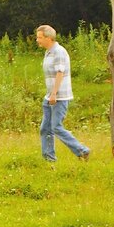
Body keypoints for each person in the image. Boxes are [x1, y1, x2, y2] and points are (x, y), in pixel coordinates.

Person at [35, 25, 90, 162]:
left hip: (59, 96)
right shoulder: (48, 52)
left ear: (49, 38)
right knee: (45, 128)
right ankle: (49, 158)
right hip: (50, 96)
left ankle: (82, 151)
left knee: (56, 127)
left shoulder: (59, 51)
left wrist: (54, 94)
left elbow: (60, 73)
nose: (37, 40)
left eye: (40, 37)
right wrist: (50, 94)